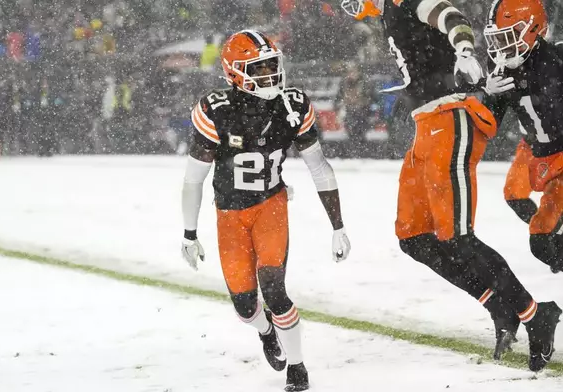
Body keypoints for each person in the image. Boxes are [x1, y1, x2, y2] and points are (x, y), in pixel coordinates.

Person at [342, 0, 559, 371]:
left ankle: (534, 313)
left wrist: (463, 50)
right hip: (426, 124)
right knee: (414, 237)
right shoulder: (388, 15)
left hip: (449, 119)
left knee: (458, 236)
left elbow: (450, 15)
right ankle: (497, 303)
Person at [180, 29, 350, 391]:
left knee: (274, 289)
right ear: (234, 73)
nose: (269, 74)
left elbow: (319, 167)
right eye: (257, 69)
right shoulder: (217, 110)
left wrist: (338, 225)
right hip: (229, 213)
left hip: (271, 204)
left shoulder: (291, 105)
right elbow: (194, 178)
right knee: (245, 305)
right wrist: (189, 233)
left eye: (272, 65)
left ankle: (298, 368)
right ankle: (266, 332)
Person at [482, 1, 563, 355]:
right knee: (519, 203)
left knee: (541, 239)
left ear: (533, 28)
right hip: (534, 149)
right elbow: (490, 120)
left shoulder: (557, 61)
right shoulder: (501, 65)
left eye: (508, 36)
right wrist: (485, 94)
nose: (501, 47)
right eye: (497, 39)